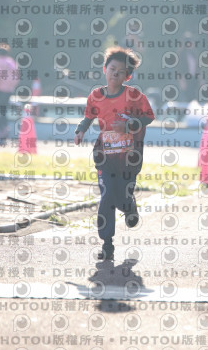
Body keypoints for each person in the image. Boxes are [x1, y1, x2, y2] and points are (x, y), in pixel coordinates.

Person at [74, 46, 155, 260]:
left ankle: (129, 207)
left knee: (122, 195)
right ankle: (107, 244)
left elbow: (149, 117)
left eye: (121, 71)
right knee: (107, 194)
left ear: (127, 76)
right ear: (104, 69)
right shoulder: (96, 96)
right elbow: (89, 116)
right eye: (112, 69)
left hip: (129, 158)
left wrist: (128, 126)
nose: (115, 74)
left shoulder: (134, 96)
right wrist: (80, 130)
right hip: (105, 156)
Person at [0, 42, 20, 140]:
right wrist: (11, 86)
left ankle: (3, 129)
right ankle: (4, 130)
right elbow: (17, 77)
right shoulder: (11, 62)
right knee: (3, 111)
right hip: (9, 90)